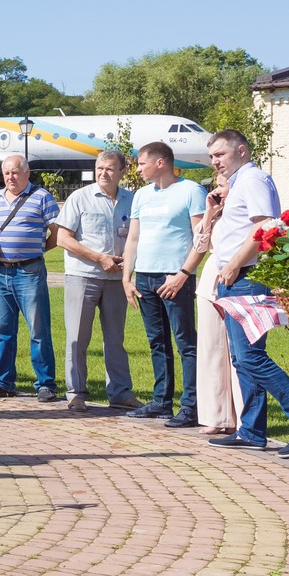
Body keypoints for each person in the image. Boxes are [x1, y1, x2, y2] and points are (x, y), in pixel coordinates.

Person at [208, 130, 289, 458]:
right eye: (212, 156)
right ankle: (251, 431)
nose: (215, 161)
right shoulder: (238, 184)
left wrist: (234, 264)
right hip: (234, 277)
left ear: (241, 150)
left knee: (251, 357)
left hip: (247, 277)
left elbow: (265, 228)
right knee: (242, 359)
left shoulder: (253, 179)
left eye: (220, 154)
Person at [121, 142, 208, 428]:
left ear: (160, 162)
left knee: (186, 343)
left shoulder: (192, 191)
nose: (137, 169)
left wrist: (183, 274)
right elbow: (133, 238)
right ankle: (161, 402)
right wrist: (127, 278)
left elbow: (201, 239)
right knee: (157, 342)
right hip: (145, 278)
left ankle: (191, 407)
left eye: (141, 163)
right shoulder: (142, 195)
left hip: (175, 278)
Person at [52, 150, 136, 413]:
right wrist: (99, 258)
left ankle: (120, 393)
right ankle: (76, 394)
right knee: (77, 338)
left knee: (115, 339)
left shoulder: (132, 200)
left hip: (116, 279)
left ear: (122, 171)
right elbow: (62, 239)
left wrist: (127, 262)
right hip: (83, 276)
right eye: (100, 168)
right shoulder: (80, 197)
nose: (103, 173)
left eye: (109, 168)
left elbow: (136, 237)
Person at [0, 155, 60, 401]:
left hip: (29, 272)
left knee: (38, 330)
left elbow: (57, 233)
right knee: (1, 331)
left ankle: (45, 384)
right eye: (6, 173)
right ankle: (3, 382)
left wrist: (36, 250)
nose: (10, 177)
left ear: (27, 173)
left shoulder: (42, 197)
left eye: (15, 172)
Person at [192, 173, 239, 436]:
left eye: (222, 186)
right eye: (216, 186)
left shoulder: (242, 214)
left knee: (237, 352)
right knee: (211, 349)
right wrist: (209, 213)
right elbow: (199, 245)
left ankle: (242, 417)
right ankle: (216, 415)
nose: (217, 191)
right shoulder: (217, 214)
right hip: (210, 279)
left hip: (234, 277)